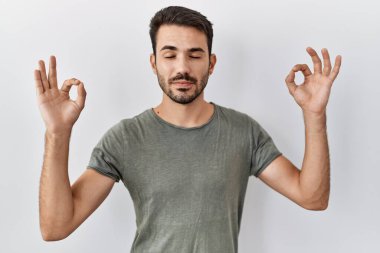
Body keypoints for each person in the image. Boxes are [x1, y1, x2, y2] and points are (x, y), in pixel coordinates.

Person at [36, 5, 342, 252]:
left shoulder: (244, 132)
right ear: (154, 63)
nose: (182, 67)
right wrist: (57, 133)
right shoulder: (125, 139)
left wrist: (314, 114)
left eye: (195, 55)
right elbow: (56, 227)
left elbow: (312, 198)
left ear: (211, 63)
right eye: (170, 55)